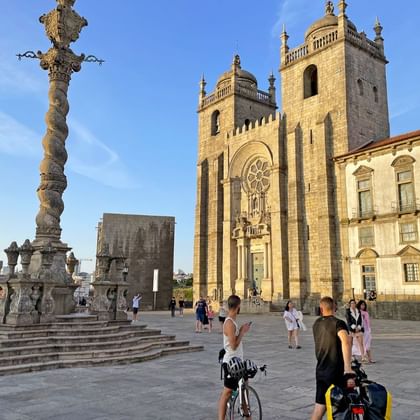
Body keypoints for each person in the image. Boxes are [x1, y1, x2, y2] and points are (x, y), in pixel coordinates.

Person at [311, 296, 354, 420]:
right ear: (335, 308)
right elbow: (345, 342)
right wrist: (348, 368)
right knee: (342, 408)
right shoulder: (338, 323)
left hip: (321, 370)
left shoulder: (316, 324)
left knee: (319, 407)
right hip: (336, 371)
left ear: (321, 309)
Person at [217, 295, 251, 420]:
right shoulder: (229, 323)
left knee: (244, 390)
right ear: (238, 307)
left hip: (238, 362)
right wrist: (242, 331)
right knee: (227, 393)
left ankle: (248, 417)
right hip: (230, 363)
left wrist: (241, 330)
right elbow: (233, 345)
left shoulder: (232, 322)